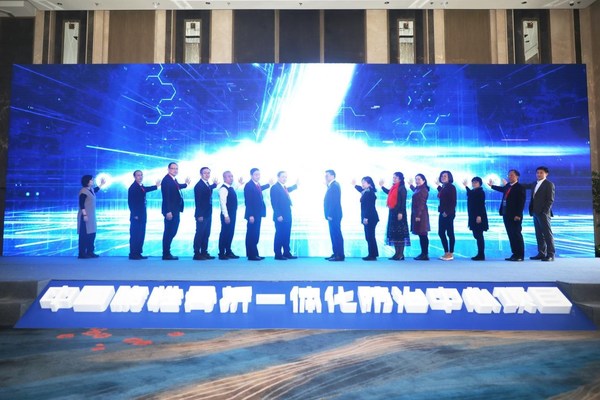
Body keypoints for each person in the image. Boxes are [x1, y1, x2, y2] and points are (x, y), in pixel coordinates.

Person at [489, 169, 526, 262]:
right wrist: (492, 186)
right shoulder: (508, 186)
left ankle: (520, 255)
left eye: (512, 175)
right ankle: (514, 254)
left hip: (515, 215)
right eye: (509, 175)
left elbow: (521, 202)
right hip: (506, 213)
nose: (510, 177)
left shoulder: (520, 187)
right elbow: (502, 189)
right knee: (511, 234)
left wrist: (518, 214)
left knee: (516, 234)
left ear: (517, 176)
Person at [522, 166, 556, 262]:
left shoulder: (549, 184)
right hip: (535, 212)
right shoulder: (534, 183)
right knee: (539, 234)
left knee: (547, 234)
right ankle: (541, 253)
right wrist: (509, 183)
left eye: (541, 172)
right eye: (537, 172)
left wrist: (545, 212)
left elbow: (550, 200)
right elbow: (524, 186)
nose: (539, 174)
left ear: (546, 174)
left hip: (543, 213)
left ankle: (551, 254)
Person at [161, 162, 190, 260]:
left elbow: (177, 186)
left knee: (172, 231)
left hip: (175, 210)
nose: (175, 170)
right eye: (173, 168)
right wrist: (168, 211)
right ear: (168, 169)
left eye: (176, 168)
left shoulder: (172, 179)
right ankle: (166, 254)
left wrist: (185, 184)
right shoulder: (166, 180)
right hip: (170, 211)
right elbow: (166, 197)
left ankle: (167, 253)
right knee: (169, 232)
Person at [127, 170, 160, 260]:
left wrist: (156, 186)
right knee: (135, 234)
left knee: (141, 234)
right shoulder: (133, 187)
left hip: (142, 214)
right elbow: (131, 202)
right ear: (134, 176)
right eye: (138, 175)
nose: (140, 177)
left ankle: (138, 252)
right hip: (136, 215)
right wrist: (134, 214)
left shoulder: (140, 186)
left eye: (141, 175)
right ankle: (133, 253)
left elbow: (146, 189)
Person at [380, 172, 410, 261]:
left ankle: (401, 254)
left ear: (400, 179)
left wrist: (400, 213)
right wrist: (382, 186)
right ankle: (397, 253)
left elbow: (403, 202)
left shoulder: (402, 188)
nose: (394, 179)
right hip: (393, 212)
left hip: (399, 213)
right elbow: (388, 192)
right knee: (395, 234)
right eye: (393, 177)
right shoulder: (394, 187)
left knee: (400, 234)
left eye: (395, 177)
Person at [244, 168, 271, 261]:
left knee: (255, 234)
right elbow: (248, 202)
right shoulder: (248, 185)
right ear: (251, 175)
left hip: (258, 213)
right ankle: (251, 255)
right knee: (252, 234)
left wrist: (268, 184)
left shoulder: (256, 185)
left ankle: (254, 253)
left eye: (259, 174)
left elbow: (259, 189)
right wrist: (250, 215)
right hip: (253, 215)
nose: (258, 176)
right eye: (256, 174)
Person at [270, 171, 298, 260]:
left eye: (286, 177)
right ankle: (278, 254)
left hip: (287, 215)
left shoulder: (283, 187)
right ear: (278, 177)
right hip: (280, 216)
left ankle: (286, 252)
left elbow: (287, 190)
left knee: (286, 234)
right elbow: (274, 203)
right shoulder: (275, 187)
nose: (285, 178)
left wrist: (296, 185)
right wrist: (278, 215)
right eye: (283, 177)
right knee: (279, 235)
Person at [193, 167, 218, 260]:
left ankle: (204, 252)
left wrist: (214, 185)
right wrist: (199, 215)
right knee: (200, 233)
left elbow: (208, 190)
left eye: (208, 173)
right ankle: (197, 253)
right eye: (205, 173)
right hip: (202, 214)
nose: (207, 175)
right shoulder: (199, 186)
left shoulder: (206, 184)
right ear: (201, 174)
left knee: (206, 233)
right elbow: (198, 202)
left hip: (208, 213)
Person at [77, 174, 105, 259]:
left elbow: (95, 190)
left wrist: (101, 184)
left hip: (91, 216)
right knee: (84, 235)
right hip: (85, 216)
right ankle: (82, 253)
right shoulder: (83, 191)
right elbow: (81, 204)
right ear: (87, 181)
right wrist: (84, 214)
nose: (93, 181)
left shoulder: (90, 189)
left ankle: (90, 251)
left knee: (92, 234)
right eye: (91, 180)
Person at [218, 171, 243, 260]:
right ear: (224, 178)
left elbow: (234, 188)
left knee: (230, 233)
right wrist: (226, 216)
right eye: (229, 176)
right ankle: (221, 253)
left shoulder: (230, 188)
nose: (231, 178)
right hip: (227, 215)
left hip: (232, 214)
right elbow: (223, 203)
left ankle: (228, 251)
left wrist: (239, 184)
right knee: (224, 233)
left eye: (232, 176)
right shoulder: (223, 189)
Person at [463, 176, 488, 261]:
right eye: (473, 182)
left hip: (478, 216)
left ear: (480, 183)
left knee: (479, 235)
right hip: (473, 216)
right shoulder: (474, 191)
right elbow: (470, 194)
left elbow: (481, 204)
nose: (474, 184)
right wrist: (466, 186)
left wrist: (479, 216)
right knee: (477, 235)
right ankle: (480, 254)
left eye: (476, 182)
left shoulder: (480, 192)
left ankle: (481, 254)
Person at [354, 176, 379, 261]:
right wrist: (355, 185)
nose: (362, 184)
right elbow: (360, 189)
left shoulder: (369, 193)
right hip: (369, 217)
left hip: (370, 218)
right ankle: (372, 254)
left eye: (364, 182)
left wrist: (366, 217)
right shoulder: (366, 191)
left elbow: (369, 207)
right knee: (369, 236)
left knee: (370, 236)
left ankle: (372, 255)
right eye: (362, 182)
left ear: (369, 183)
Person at [436, 170, 457, 261]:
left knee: (450, 233)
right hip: (442, 212)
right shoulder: (444, 187)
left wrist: (447, 212)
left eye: (445, 176)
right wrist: (438, 186)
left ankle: (451, 253)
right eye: (442, 176)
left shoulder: (451, 187)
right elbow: (443, 194)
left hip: (448, 213)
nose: (443, 177)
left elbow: (453, 202)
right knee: (441, 232)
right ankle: (446, 252)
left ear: (449, 178)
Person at [324, 169, 344, 261]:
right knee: (333, 234)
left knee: (336, 234)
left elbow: (334, 202)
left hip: (334, 215)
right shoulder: (332, 185)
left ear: (332, 176)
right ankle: (336, 253)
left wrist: (330, 214)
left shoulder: (335, 186)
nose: (325, 177)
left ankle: (339, 255)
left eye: (327, 175)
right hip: (333, 214)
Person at [409, 173, 430, 261]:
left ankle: (425, 254)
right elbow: (415, 191)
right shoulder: (419, 189)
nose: (417, 181)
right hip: (418, 214)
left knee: (423, 234)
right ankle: (423, 253)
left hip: (421, 215)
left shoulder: (423, 190)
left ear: (423, 180)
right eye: (416, 179)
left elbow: (422, 203)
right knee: (421, 234)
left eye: (419, 179)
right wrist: (411, 185)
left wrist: (418, 215)